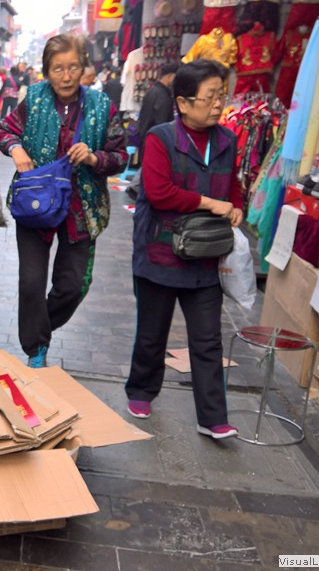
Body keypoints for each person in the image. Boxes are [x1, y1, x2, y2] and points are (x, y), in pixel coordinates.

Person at [125, 59, 243, 440]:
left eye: (221, 95)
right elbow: (159, 193)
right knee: (152, 333)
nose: (218, 104)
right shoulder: (160, 139)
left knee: (208, 339)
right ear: (183, 103)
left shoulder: (227, 141)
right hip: (160, 251)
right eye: (210, 97)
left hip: (205, 255)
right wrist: (210, 203)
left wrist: (236, 206)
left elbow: (234, 184)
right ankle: (141, 391)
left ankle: (212, 417)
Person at [0, 34, 129, 368]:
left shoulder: (102, 106)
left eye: (73, 68)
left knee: (73, 287)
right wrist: (16, 148)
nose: (66, 76)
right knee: (31, 283)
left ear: (84, 68)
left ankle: (39, 326)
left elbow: (120, 156)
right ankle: (36, 348)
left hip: (81, 209)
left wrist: (94, 158)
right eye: (57, 69)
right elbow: (3, 130)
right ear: (47, 71)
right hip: (36, 203)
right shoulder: (34, 98)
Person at [128, 63, 179, 199]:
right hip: (155, 140)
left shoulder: (152, 91)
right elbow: (162, 123)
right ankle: (138, 190)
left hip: (145, 136)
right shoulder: (163, 96)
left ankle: (137, 189)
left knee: (147, 170)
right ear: (170, 76)